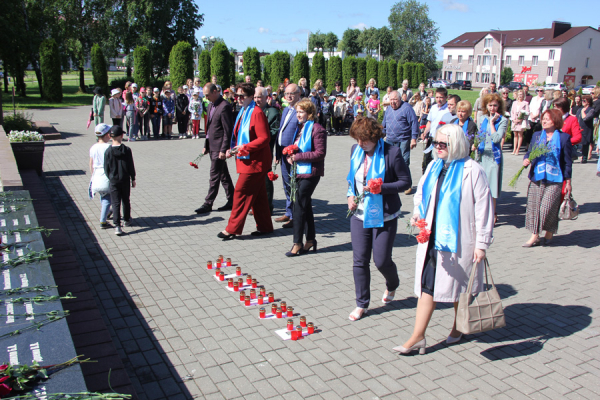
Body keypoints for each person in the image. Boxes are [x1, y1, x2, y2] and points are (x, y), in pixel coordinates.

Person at [394, 124, 494, 354]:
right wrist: (418, 214)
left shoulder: (473, 170)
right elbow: (421, 194)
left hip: (459, 238)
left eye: (442, 144)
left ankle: (458, 327)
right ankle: (418, 336)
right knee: (428, 285)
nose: (436, 147)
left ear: (456, 144)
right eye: (434, 142)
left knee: (461, 286)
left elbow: (484, 209)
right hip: (431, 237)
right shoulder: (434, 166)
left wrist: (482, 244)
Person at [347, 117, 412, 321]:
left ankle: (392, 284)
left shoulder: (392, 152)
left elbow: (405, 182)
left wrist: (381, 187)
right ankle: (362, 304)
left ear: (375, 137)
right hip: (359, 215)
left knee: (382, 261)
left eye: (364, 139)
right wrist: (350, 195)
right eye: (357, 139)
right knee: (360, 261)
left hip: (385, 214)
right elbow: (352, 179)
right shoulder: (355, 151)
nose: (360, 144)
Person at [218, 83, 274, 239]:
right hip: (247, 160)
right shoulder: (243, 111)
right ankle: (265, 227)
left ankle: (232, 228)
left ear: (250, 96)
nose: (238, 99)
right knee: (259, 196)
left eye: (242, 96)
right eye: (237, 96)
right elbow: (237, 136)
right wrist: (233, 149)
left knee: (241, 193)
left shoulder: (256, 112)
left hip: (255, 162)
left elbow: (264, 138)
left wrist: (245, 147)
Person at [522, 109, 572, 247]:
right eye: (543, 118)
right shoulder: (537, 135)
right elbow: (530, 152)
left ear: (555, 121)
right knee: (534, 207)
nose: (543, 121)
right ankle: (535, 236)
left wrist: (568, 182)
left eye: (547, 119)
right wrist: (526, 160)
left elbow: (567, 162)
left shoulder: (564, 138)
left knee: (547, 207)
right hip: (537, 177)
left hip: (555, 179)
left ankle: (549, 230)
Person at [284, 99, 327, 256]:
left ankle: (297, 243)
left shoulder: (318, 129)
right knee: (305, 205)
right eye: (297, 112)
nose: (298, 115)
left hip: (311, 173)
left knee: (298, 206)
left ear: (310, 113)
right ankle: (310, 240)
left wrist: (298, 157)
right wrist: (291, 155)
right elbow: (298, 149)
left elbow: (320, 153)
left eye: (301, 112)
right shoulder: (301, 129)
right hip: (299, 171)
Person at [195, 83, 235, 215]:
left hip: (219, 148)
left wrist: (223, 149)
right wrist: (206, 146)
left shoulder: (224, 107)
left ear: (215, 92)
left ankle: (208, 203)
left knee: (214, 175)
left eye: (207, 95)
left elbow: (227, 131)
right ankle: (232, 199)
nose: (206, 98)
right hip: (212, 146)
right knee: (223, 175)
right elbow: (209, 128)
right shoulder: (211, 105)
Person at [476, 93, 507, 224]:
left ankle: (493, 212)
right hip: (483, 155)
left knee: (492, 186)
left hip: (494, 156)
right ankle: (482, 213)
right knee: (481, 186)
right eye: (490, 105)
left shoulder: (503, 120)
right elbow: (479, 136)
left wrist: (492, 123)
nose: (492, 108)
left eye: (495, 105)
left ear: (499, 105)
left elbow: (497, 138)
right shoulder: (482, 118)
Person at [382, 91, 419, 194]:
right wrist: (380, 135)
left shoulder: (407, 108)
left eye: (395, 100)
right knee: (389, 162)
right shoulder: (389, 109)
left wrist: (414, 138)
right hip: (390, 139)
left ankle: (407, 184)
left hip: (404, 139)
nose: (393, 102)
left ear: (400, 99)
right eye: (391, 100)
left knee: (404, 162)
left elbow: (414, 123)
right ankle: (393, 183)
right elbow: (384, 124)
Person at [275, 83, 302, 228]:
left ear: (299, 94)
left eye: (292, 93)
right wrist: (277, 153)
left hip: (293, 155)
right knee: (286, 183)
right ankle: (289, 211)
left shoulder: (301, 111)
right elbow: (280, 132)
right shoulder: (286, 110)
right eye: (287, 94)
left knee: (293, 184)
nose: (289, 96)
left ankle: (294, 216)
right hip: (283, 153)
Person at [104, 126, 136, 236]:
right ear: (122, 136)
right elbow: (131, 165)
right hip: (125, 179)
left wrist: (110, 177)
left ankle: (117, 225)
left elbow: (106, 167)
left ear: (109, 136)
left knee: (115, 202)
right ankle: (127, 219)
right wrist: (133, 178)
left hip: (113, 180)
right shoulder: (126, 150)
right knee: (126, 200)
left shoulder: (108, 151)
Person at [253, 87, 280, 213]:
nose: (257, 100)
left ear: (266, 97)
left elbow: (273, 133)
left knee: (265, 179)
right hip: (251, 151)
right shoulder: (250, 111)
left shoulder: (273, 112)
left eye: (260, 97)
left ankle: (268, 206)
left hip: (265, 150)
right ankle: (255, 205)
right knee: (253, 179)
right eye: (255, 97)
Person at [89, 123, 113, 229]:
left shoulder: (93, 147)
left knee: (103, 196)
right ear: (107, 135)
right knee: (107, 198)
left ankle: (107, 211)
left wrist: (92, 175)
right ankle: (103, 221)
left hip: (96, 175)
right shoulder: (109, 147)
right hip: (106, 176)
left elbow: (91, 163)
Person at [421, 87, 450, 173]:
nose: (439, 99)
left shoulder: (448, 110)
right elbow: (429, 122)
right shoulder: (433, 107)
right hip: (431, 138)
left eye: (441, 97)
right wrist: (424, 132)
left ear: (446, 97)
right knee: (427, 161)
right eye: (437, 97)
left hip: (441, 140)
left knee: (438, 160)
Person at [510, 89, 530, 155]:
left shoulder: (525, 103)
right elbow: (512, 112)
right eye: (519, 94)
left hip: (521, 121)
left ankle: (518, 149)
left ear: (523, 95)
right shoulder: (514, 103)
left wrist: (521, 119)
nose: (520, 96)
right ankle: (514, 149)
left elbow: (527, 112)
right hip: (514, 121)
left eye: (521, 94)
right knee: (515, 135)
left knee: (520, 135)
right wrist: (513, 119)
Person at [577, 95, 595, 163]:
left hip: (587, 129)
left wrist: (583, 111)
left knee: (585, 143)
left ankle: (584, 158)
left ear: (588, 102)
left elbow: (585, 118)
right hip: (579, 127)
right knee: (576, 142)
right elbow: (577, 118)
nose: (582, 102)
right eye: (582, 100)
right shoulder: (580, 109)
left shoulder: (591, 110)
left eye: (584, 100)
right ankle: (573, 156)